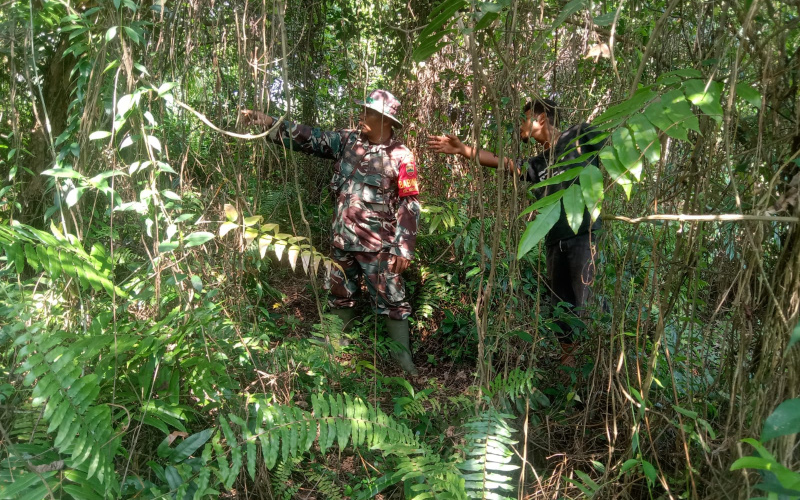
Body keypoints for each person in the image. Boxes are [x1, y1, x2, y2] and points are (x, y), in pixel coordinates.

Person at [241, 89, 420, 375]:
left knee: (392, 302)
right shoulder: (347, 141)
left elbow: (409, 202)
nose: (362, 116)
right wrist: (269, 123)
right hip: (342, 242)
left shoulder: (401, 156)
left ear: (385, 120)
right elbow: (309, 137)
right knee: (340, 295)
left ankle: (404, 362)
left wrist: (404, 246)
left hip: (379, 247)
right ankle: (333, 355)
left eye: (369, 113)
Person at [427, 98, 603, 364]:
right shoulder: (538, 163)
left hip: (583, 236)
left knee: (585, 305)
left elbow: (615, 141)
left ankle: (594, 370)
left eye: (525, 118)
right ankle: (569, 370)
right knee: (561, 307)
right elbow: (505, 163)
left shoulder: (578, 135)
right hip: (555, 241)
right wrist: (463, 149)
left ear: (541, 119)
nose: (520, 126)